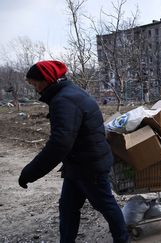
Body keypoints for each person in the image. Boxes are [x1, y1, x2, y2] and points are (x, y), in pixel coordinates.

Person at [18, 60, 129, 242]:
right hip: (78, 165)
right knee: (68, 207)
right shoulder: (68, 93)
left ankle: (123, 239)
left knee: (106, 205)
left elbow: (59, 144)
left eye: (35, 83)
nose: (35, 88)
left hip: (89, 166)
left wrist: (30, 172)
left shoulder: (63, 101)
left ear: (46, 79)